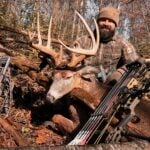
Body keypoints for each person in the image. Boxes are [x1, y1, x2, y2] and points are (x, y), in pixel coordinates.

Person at [75, 6, 141, 84]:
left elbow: (134, 64)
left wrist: (118, 74)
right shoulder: (82, 41)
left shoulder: (123, 43)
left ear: (115, 25)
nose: (106, 23)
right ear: (97, 22)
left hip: (110, 87)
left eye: (110, 21)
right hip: (83, 83)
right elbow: (70, 62)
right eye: (103, 20)